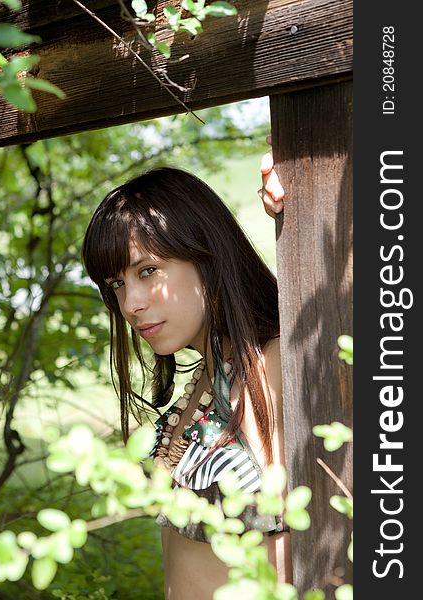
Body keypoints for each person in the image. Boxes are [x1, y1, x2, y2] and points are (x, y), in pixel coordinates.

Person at [82, 151, 291, 599]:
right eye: (117, 283)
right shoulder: (203, 380)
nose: (130, 303)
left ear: (207, 256)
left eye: (147, 271)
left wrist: (296, 162)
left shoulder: (275, 364)